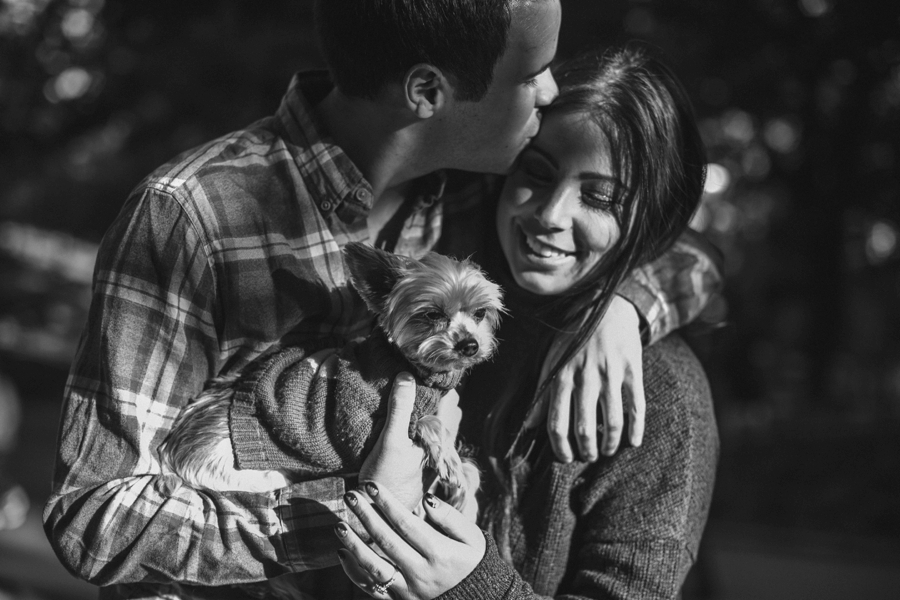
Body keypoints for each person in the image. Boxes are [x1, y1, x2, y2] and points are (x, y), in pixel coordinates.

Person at [43, 0, 721, 597]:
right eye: (530, 74)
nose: (550, 89)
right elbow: (92, 517)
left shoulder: (471, 197)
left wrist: (625, 306)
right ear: (428, 91)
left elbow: (668, 233)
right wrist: (360, 514)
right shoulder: (194, 216)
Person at [334, 44, 719, 600]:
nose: (550, 214)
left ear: (649, 220)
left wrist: (473, 585)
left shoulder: (661, 394)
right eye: (536, 172)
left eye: (600, 197)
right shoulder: (440, 277)